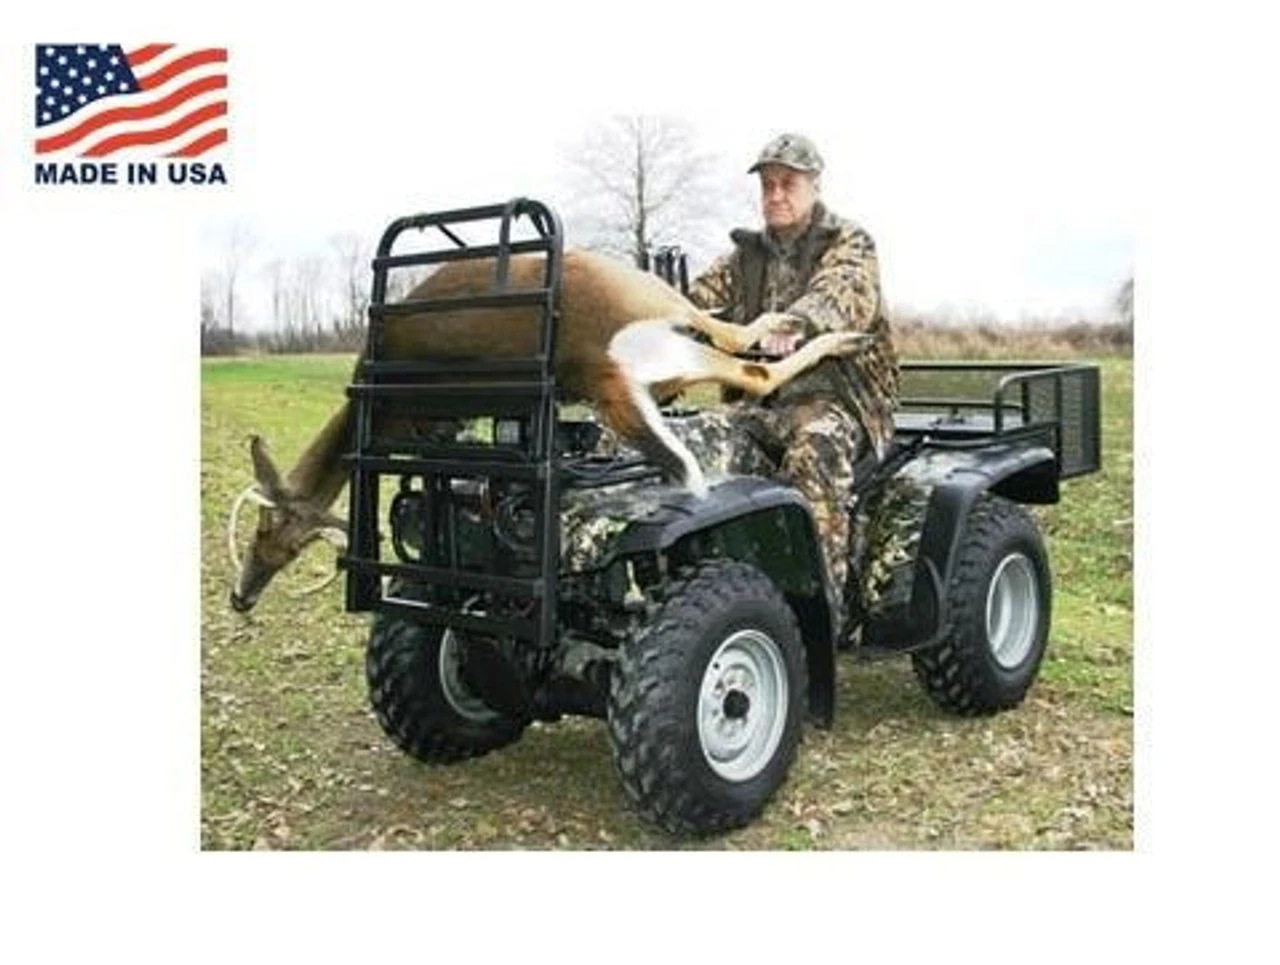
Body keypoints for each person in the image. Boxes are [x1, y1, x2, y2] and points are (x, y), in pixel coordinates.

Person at [686, 132, 900, 620]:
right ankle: (711, 598)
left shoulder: (849, 243)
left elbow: (841, 294)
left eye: (788, 183)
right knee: (694, 439)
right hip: (761, 405)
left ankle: (820, 617)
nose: (776, 195)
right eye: (768, 185)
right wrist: (650, 316)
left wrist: (796, 323)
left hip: (839, 403)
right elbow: (695, 303)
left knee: (814, 455)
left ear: (815, 185)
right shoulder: (745, 258)